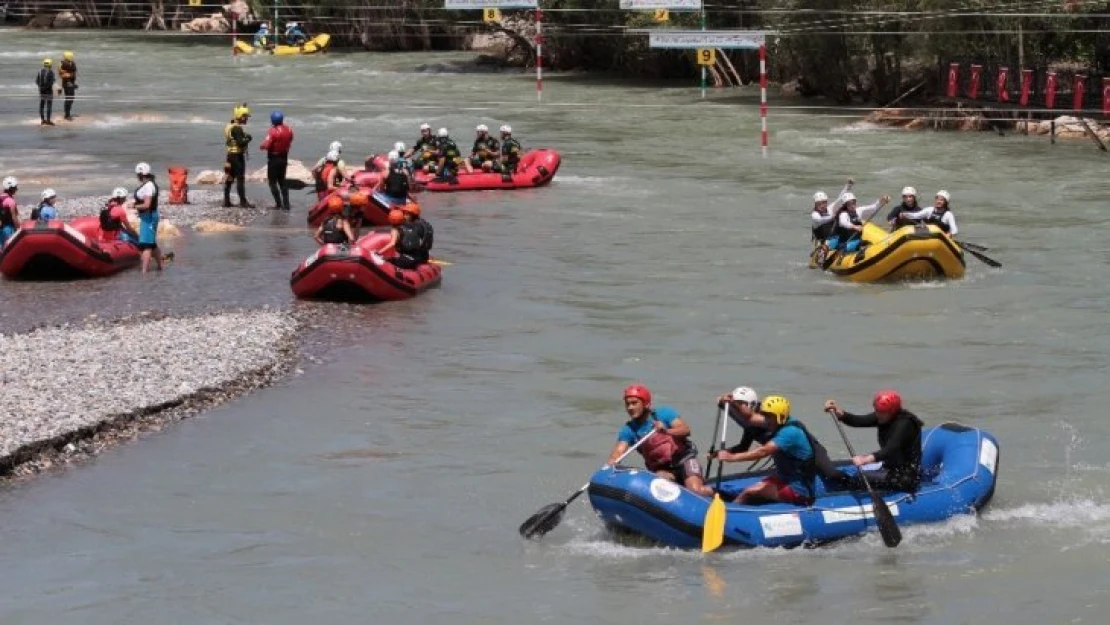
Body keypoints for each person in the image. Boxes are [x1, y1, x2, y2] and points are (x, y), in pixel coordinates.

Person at [603, 384, 714, 496]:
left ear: (646, 404)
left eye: (634, 403)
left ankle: (724, 495)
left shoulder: (664, 414)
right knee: (658, 483)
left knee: (695, 491)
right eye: (627, 404)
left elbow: (685, 430)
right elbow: (618, 452)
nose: (630, 408)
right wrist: (608, 468)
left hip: (684, 460)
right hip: (663, 470)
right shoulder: (629, 429)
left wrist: (666, 431)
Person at [709, 396, 816, 505]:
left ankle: (729, 514)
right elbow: (749, 418)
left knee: (749, 492)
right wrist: (733, 402)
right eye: (765, 415)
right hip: (784, 479)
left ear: (779, 417)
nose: (765, 419)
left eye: (769, 416)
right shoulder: (778, 421)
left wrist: (731, 457)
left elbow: (763, 452)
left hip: (798, 489)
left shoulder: (790, 432)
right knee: (755, 488)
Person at [824, 390, 925, 493]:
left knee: (858, 478)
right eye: (876, 410)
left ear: (892, 411)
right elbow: (859, 421)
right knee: (858, 474)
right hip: (890, 467)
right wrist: (841, 414)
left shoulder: (905, 424)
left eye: (881, 412)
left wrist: (866, 459)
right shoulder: (883, 416)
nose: (877, 414)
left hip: (905, 476)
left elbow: (891, 449)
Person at [828, 192, 892, 252]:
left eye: (853, 202)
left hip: (857, 240)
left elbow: (873, 208)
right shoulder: (843, 214)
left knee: (867, 244)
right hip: (845, 242)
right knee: (858, 246)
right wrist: (854, 227)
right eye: (849, 204)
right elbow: (844, 223)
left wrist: (882, 200)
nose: (852, 205)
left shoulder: (859, 210)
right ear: (845, 205)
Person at [133, 161, 167, 273]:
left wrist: (134, 205)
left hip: (149, 217)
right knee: (152, 244)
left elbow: (147, 204)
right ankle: (161, 267)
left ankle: (144, 272)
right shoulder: (149, 184)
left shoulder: (149, 186)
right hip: (147, 217)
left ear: (140, 174)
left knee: (146, 245)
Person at [378, 203, 432, 269]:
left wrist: (379, 252)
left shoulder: (411, 227)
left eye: (406, 214)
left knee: (388, 260)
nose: (404, 216)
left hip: (413, 257)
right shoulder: (423, 224)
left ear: (412, 215)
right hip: (423, 256)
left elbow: (393, 243)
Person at [260, 109, 294, 210]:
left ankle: (278, 204)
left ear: (273, 120)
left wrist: (261, 146)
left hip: (274, 158)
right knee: (282, 181)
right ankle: (286, 204)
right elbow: (291, 139)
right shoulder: (289, 129)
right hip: (284, 157)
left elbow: (266, 145)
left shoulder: (273, 131)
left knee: (272, 182)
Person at [223, 104, 254, 208]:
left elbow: (234, 139)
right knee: (240, 179)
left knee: (229, 178)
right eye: (245, 116)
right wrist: (248, 138)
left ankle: (226, 201)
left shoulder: (229, 126)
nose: (247, 119)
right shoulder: (237, 128)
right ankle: (243, 202)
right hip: (237, 157)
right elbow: (241, 143)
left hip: (229, 156)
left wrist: (243, 137)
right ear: (240, 116)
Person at [811, 178, 853, 243]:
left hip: (834, 236)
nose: (822, 205)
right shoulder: (814, 214)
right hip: (822, 240)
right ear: (816, 204)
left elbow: (840, 199)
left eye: (824, 202)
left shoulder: (830, 208)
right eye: (819, 204)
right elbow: (820, 220)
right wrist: (832, 217)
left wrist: (848, 186)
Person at [35, 58, 55, 126]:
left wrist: (41, 87)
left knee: (42, 105)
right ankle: (48, 120)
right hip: (49, 91)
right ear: (50, 64)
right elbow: (52, 82)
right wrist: (47, 87)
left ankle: (42, 120)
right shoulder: (51, 72)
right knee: (49, 106)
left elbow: (37, 81)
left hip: (41, 91)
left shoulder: (39, 71)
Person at [58, 51, 77, 121]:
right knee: (68, 98)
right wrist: (68, 76)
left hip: (72, 82)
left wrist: (74, 83)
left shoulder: (72, 63)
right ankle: (67, 115)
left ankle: (68, 113)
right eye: (71, 56)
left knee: (71, 98)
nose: (72, 57)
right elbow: (61, 74)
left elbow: (74, 72)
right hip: (66, 83)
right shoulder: (62, 64)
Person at [1, 176, 19, 247]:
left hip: (1, 228)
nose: (16, 189)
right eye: (15, 187)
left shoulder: (1, 198)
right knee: (10, 248)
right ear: (11, 188)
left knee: (3, 248)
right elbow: (14, 217)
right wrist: (18, 229)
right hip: (9, 228)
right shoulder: (10, 201)